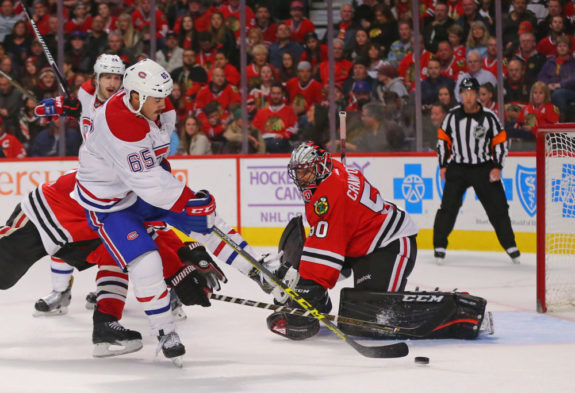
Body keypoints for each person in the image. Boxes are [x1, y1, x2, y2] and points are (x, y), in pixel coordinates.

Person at [70, 58, 217, 365]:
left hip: (128, 194)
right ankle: (156, 328)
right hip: (104, 201)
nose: (111, 81)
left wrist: (180, 264)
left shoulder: (131, 112)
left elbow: (151, 176)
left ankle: (147, 317)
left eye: (115, 76)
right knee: (140, 259)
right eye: (105, 76)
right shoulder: (108, 110)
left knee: (144, 252)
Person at [266, 142, 418, 340]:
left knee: (375, 319)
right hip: (357, 242)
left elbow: (324, 253)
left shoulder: (330, 196)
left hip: (390, 243)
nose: (301, 178)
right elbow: (324, 240)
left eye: (306, 172)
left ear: (320, 167)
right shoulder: (332, 170)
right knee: (353, 311)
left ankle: (439, 309)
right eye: (298, 172)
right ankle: (319, 301)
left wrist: (303, 294)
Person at [434, 77, 520, 265]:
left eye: (471, 93)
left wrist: (497, 166)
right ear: (461, 95)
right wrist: (443, 164)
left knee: (498, 207)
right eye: (464, 93)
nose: (468, 97)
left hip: (483, 167)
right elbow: (443, 140)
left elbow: (500, 141)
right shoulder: (452, 116)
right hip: (458, 167)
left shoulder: (489, 117)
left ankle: (510, 245)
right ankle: (439, 245)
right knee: (448, 207)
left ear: (477, 94)